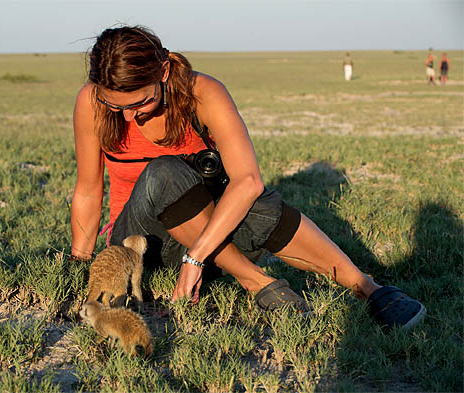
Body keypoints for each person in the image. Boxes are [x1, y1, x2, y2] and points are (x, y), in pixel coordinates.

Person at [70, 25, 426, 330]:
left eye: (139, 103)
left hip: (200, 245)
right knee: (163, 174)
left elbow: (248, 181)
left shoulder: (202, 94)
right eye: (117, 106)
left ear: (163, 72)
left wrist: (195, 258)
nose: (129, 116)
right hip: (138, 246)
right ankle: (257, 282)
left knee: (254, 201)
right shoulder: (91, 103)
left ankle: (369, 288)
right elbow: (88, 189)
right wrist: (79, 261)